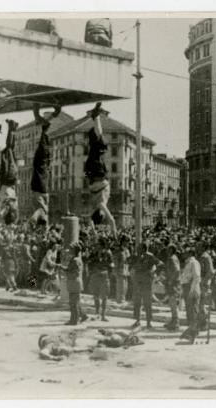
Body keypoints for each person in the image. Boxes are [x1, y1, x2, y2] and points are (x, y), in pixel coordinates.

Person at [85, 103, 117, 237]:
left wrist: (114, 233)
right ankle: (95, 118)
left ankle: (96, 116)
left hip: (98, 174)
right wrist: (93, 232)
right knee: (95, 143)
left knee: (99, 143)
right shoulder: (92, 209)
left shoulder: (101, 205)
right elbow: (88, 219)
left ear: (102, 214)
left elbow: (112, 220)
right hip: (91, 173)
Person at [30, 103, 61, 226]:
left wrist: (44, 210)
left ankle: (38, 112)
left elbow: (35, 217)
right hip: (41, 179)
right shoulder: (43, 211)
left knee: (45, 130)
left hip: (41, 180)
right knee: (45, 130)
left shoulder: (41, 211)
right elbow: (38, 215)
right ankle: (37, 113)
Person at [131, 241, 163, 329]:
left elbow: (160, 264)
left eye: (139, 248)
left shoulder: (150, 256)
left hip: (146, 282)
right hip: (138, 281)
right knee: (137, 302)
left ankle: (148, 322)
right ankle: (137, 321)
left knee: (147, 303)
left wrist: (153, 272)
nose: (137, 250)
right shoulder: (136, 256)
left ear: (144, 249)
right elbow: (132, 265)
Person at [0, 119, 19, 225]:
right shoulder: (8, 207)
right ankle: (11, 127)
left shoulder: (14, 206)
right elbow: (2, 212)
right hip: (6, 178)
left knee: (10, 150)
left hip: (12, 179)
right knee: (8, 149)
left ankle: (13, 128)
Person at [88, 238, 114, 321]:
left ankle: (103, 314)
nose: (97, 245)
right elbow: (89, 261)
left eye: (98, 244)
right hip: (95, 274)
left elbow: (111, 265)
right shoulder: (94, 253)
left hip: (104, 274)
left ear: (102, 245)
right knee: (96, 295)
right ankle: (97, 313)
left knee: (104, 296)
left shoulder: (108, 253)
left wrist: (109, 274)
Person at [180, 246, 201, 343]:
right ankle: (191, 332)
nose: (183, 254)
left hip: (191, 288)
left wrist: (192, 290)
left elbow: (196, 277)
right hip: (187, 287)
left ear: (190, 253)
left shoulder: (194, 262)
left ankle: (193, 333)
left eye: (186, 252)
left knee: (193, 311)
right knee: (189, 311)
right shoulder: (188, 263)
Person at [65, 243, 88, 325]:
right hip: (74, 282)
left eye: (71, 249)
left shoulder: (75, 260)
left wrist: (66, 272)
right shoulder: (75, 259)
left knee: (73, 303)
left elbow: (75, 273)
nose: (69, 250)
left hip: (74, 282)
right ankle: (83, 315)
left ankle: (74, 320)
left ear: (74, 250)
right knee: (75, 302)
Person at [164, 243, 182, 332]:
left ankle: (176, 323)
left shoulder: (172, 258)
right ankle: (173, 321)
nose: (166, 251)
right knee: (172, 303)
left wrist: (171, 280)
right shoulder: (173, 258)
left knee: (173, 303)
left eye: (168, 249)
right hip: (173, 283)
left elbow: (177, 270)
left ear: (171, 250)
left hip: (174, 283)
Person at [197, 241, 215, 331]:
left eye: (199, 246)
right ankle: (201, 323)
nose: (197, 247)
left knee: (201, 304)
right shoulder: (201, 256)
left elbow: (211, 271)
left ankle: (204, 324)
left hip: (203, 283)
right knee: (200, 304)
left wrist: (204, 281)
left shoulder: (206, 257)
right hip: (200, 282)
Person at [114, 236, 131, 304]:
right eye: (127, 242)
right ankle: (119, 300)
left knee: (125, 286)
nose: (128, 244)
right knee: (120, 286)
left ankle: (123, 299)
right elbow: (116, 261)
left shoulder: (127, 250)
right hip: (120, 270)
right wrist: (116, 270)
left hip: (126, 270)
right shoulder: (118, 250)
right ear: (123, 242)